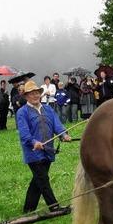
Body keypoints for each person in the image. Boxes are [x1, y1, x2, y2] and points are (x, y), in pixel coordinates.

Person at [16, 80, 71, 213]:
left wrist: (63, 135)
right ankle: (54, 207)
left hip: (48, 151)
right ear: (26, 96)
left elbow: (57, 125)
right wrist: (34, 142)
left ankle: (28, 209)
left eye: (37, 93)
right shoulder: (22, 112)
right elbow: (24, 134)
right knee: (43, 180)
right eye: (31, 94)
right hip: (33, 153)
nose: (35, 96)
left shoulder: (48, 109)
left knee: (38, 180)